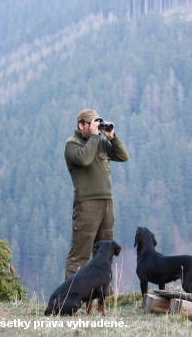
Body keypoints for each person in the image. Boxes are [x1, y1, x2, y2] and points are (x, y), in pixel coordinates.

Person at [63, 109, 129, 281]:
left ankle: (103, 295)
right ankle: (70, 295)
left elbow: (123, 156)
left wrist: (111, 137)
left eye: (97, 124)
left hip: (107, 204)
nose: (95, 127)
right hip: (86, 205)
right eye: (91, 124)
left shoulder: (100, 141)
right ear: (81, 125)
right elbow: (84, 159)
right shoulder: (72, 144)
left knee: (105, 253)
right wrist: (94, 137)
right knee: (80, 254)